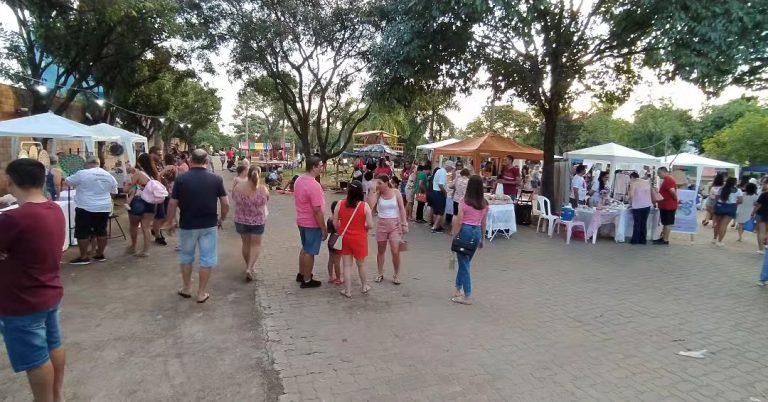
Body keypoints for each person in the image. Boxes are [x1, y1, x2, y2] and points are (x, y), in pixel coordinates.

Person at [0, 158, 67, 402]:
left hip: (22, 300)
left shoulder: (14, 219)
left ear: (10, 182)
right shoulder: (54, 209)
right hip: (48, 292)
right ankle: (55, 396)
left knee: (36, 360)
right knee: (53, 346)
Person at [165, 149, 229, 303]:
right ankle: (201, 293)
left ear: (190, 161)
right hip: (209, 225)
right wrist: (222, 218)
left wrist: (170, 222)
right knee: (207, 259)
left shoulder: (181, 180)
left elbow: (172, 203)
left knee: (186, 257)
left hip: (187, 225)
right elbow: (225, 203)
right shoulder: (216, 179)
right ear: (207, 161)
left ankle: (187, 288)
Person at [64, 156, 118, 264]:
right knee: (101, 231)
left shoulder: (82, 173)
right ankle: (100, 254)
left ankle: (84, 257)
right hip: (103, 207)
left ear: (87, 164)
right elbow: (114, 192)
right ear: (99, 163)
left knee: (82, 232)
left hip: (85, 206)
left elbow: (68, 182)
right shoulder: (108, 175)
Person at [450, 175, 489, 305]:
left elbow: (459, 220)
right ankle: (457, 289)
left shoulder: (463, 201)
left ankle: (467, 295)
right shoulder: (484, 203)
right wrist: (483, 239)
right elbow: (484, 223)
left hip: (465, 231)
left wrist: (454, 235)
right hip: (476, 232)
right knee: (465, 262)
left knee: (464, 264)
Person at [333, 180, 374, 298]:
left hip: (345, 238)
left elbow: (335, 223)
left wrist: (340, 230)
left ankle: (348, 291)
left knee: (346, 265)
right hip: (360, 239)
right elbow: (370, 225)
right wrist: (363, 226)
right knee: (361, 265)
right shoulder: (364, 206)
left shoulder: (340, 204)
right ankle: (364, 286)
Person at [293, 156, 327, 288]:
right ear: (313, 167)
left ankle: (302, 273)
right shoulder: (314, 185)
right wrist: (323, 228)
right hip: (312, 223)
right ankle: (307, 280)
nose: (321, 169)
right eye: (319, 166)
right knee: (310, 251)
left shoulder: (299, 180)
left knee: (305, 248)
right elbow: (317, 210)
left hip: (302, 220)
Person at [368, 175, 408, 284]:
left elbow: (402, 208)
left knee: (396, 250)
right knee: (381, 251)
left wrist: (404, 223)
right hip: (382, 224)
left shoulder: (396, 192)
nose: (378, 185)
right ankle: (380, 273)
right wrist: (372, 190)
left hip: (395, 225)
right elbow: (370, 206)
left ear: (386, 183)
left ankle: (396, 274)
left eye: (380, 183)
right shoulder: (378, 194)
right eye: (377, 183)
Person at [232, 166, 269, 281]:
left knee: (246, 244)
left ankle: (248, 266)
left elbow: (234, 198)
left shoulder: (238, 187)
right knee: (255, 245)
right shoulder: (263, 189)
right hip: (257, 221)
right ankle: (250, 267)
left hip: (241, 220)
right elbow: (266, 200)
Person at [126, 153, 161, 257]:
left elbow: (127, 189)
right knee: (146, 227)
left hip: (138, 201)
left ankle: (133, 246)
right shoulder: (155, 174)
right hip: (151, 202)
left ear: (139, 162)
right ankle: (146, 251)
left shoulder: (139, 174)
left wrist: (127, 185)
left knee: (133, 226)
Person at [712, 177, 743, 246]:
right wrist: (735, 203)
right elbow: (741, 201)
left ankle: (714, 239)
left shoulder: (721, 189)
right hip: (731, 207)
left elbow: (716, 197)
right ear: (735, 183)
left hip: (720, 206)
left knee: (718, 224)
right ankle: (720, 241)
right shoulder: (738, 190)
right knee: (724, 225)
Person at [654, 167, 679, 245]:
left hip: (669, 205)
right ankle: (663, 238)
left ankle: (665, 239)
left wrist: (675, 199)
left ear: (664, 172)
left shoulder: (669, 180)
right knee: (665, 223)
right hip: (665, 205)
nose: (658, 175)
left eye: (659, 173)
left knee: (668, 223)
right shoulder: (667, 180)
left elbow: (672, 191)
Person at [628, 172, 652, 244]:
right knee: (644, 223)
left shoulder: (633, 183)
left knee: (637, 223)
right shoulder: (646, 182)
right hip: (647, 205)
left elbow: (631, 195)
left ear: (632, 177)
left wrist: (630, 203)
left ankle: (635, 240)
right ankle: (643, 240)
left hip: (637, 206)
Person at [431, 160, 454, 233]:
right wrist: (445, 192)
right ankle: (435, 227)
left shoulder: (439, 171)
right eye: (451, 168)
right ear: (448, 166)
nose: (451, 169)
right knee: (440, 211)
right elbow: (440, 185)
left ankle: (436, 225)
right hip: (439, 192)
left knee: (436, 210)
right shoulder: (443, 173)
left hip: (435, 192)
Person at [326, 201, 342, 285]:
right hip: (338, 241)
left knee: (330, 259)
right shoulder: (339, 220)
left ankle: (330, 276)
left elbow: (328, 231)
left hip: (331, 240)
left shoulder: (330, 219)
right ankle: (338, 278)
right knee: (337, 261)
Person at [752, 182, 768, 254]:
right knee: (766, 231)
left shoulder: (764, 194)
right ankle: (766, 244)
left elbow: (758, 205)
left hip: (761, 214)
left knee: (761, 232)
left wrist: (753, 212)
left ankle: (761, 249)